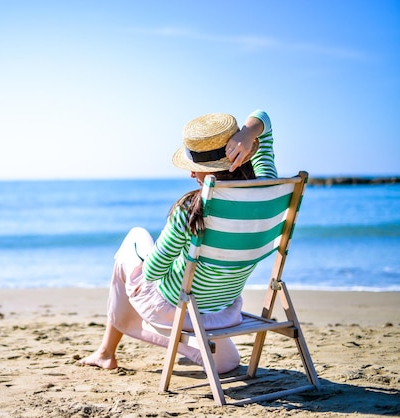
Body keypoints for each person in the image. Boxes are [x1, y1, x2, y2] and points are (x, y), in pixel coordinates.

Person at [79, 110, 277, 374]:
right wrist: (248, 133)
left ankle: (106, 352)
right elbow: (264, 119)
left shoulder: (191, 211)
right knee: (227, 363)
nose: (191, 174)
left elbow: (152, 272)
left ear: (208, 172)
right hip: (222, 313)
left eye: (196, 167)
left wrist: (158, 252)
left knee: (134, 238)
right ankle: (107, 350)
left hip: (177, 309)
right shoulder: (268, 189)